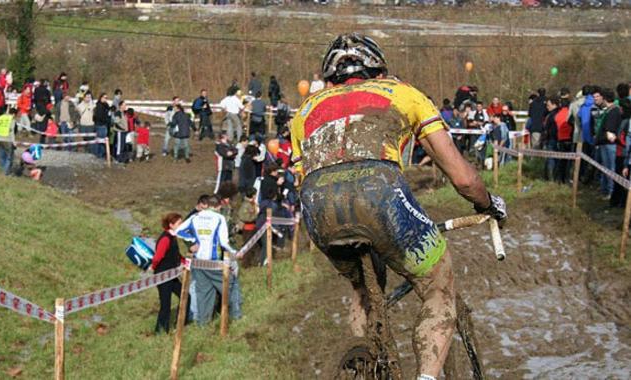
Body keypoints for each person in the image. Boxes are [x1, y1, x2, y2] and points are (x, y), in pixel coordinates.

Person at [290, 33, 507, 380]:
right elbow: (463, 178)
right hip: (380, 194)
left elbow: (303, 177)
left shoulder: (304, 111)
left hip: (317, 206)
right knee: (438, 288)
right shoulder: (403, 93)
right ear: (380, 71)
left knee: (363, 290)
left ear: (330, 79)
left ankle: (362, 361)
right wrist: (488, 204)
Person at [174, 196, 241, 325]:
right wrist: (235, 253)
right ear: (218, 207)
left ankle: (203, 323)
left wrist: (193, 240)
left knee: (203, 293)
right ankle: (236, 316)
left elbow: (179, 231)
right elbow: (223, 242)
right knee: (231, 287)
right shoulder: (219, 218)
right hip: (214, 262)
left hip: (198, 262)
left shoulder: (195, 217)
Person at [151, 213, 191, 334]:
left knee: (186, 297)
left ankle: (180, 324)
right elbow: (158, 257)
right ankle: (160, 331)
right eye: (179, 223)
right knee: (165, 305)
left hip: (172, 275)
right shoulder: (165, 239)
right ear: (171, 225)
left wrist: (185, 262)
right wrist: (152, 267)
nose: (182, 225)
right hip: (162, 276)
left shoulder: (173, 237)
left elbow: (175, 254)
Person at [594, 88, 622, 200]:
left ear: (605, 98)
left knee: (610, 168)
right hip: (604, 143)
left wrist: (605, 135)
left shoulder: (613, 111)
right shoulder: (609, 110)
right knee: (606, 168)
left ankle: (611, 192)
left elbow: (610, 129)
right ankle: (605, 190)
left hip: (609, 144)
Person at [0, 108, 18, 175]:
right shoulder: (12, 119)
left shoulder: (1, 117)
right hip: (7, 139)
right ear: (14, 114)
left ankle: (2, 170)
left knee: (2, 156)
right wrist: (14, 142)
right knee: (9, 157)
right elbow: (11, 132)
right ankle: (5, 173)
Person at [93, 93, 111, 159]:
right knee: (100, 141)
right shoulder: (99, 106)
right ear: (101, 98)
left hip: (104, 125)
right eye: (104, 97)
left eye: (106, 98)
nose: (105, 99)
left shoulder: (106, 105)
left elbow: (109, 111)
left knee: (103, 141)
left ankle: (102, 155)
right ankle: (98, 155)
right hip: (100, 125)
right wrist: (106, 120)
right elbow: (99, 116)